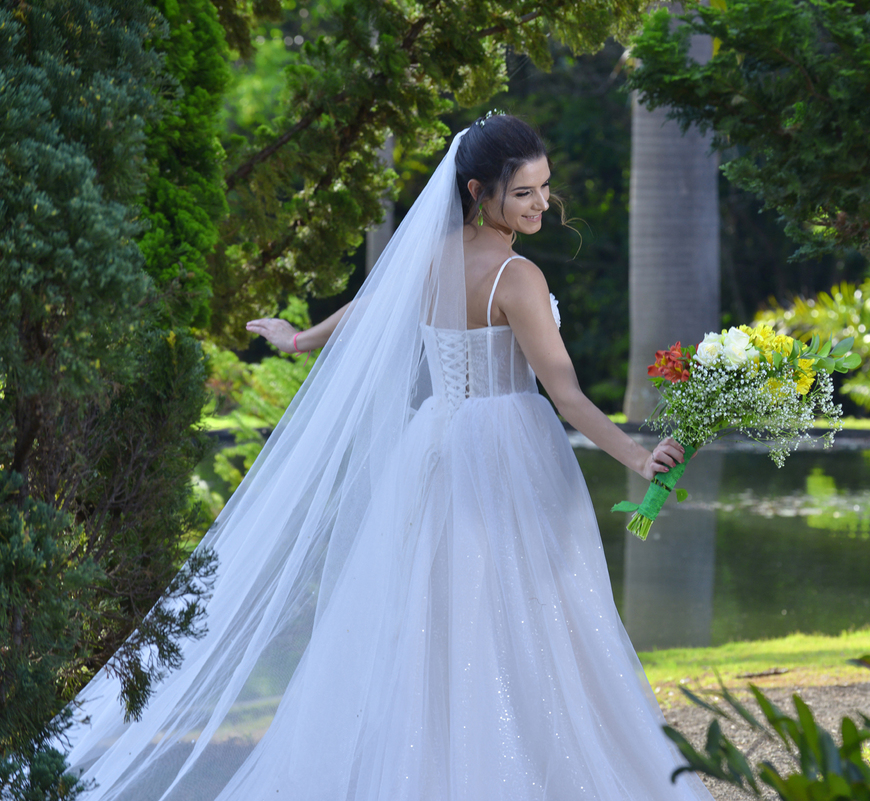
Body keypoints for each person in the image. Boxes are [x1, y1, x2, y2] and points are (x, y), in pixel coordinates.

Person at [63, 115, 713, 800]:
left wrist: (297, 339)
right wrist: (640, 460)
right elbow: (569, 398)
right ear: (477, 190)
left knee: (433, 612)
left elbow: (365, 311)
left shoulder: (429, 257)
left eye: (544, 188)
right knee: (524, 610)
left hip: (434, 446)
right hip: (505, 451)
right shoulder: (519, 278)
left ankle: (436, 768)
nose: (540, 204)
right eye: (523, 193)